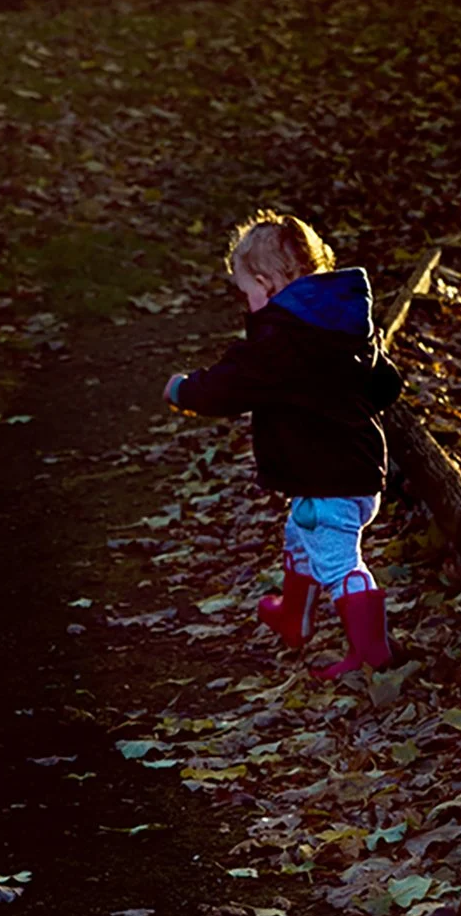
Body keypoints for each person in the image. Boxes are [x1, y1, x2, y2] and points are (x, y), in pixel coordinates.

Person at [164, 210, 403, 678]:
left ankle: (374, 658)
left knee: (338, 563)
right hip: (356, 470)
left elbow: (232, 384)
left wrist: (184, 390)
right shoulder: (348, 325)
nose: (246, 304)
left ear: (266, 282)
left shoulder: (280, 339)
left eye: (246, 293)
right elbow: (386, 386)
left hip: (326, 480)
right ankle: (294, 617)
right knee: (299, 535)